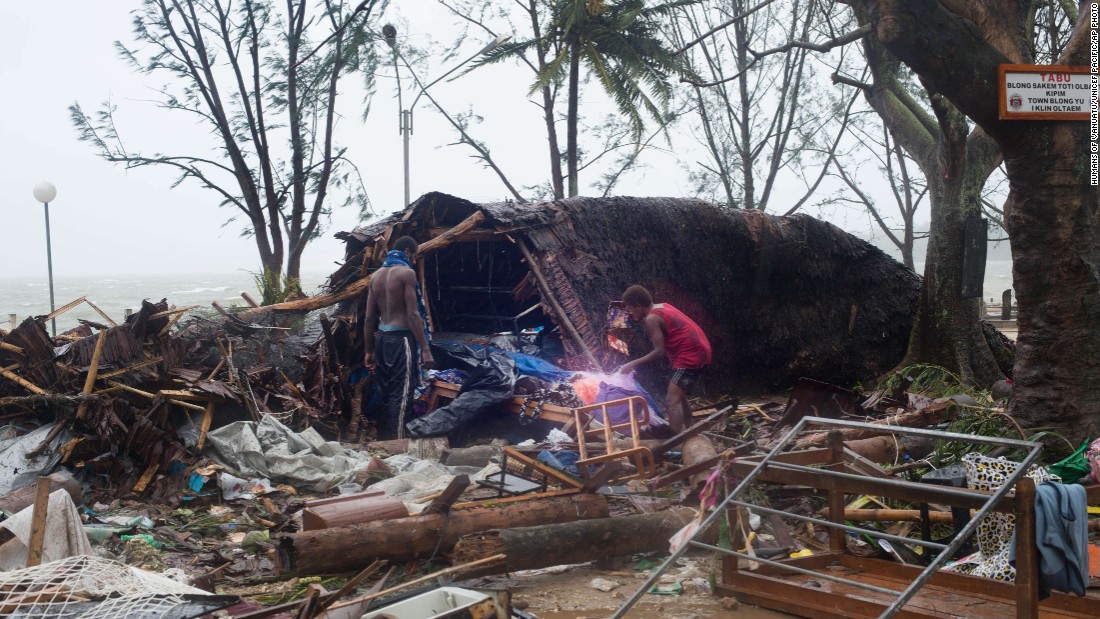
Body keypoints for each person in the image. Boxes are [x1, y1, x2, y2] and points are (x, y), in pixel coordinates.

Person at [363, 236, 435, 439]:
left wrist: (368, 350)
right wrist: (426, 349)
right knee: (402, 393)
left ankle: (383, 440)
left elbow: (369, 318)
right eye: (414, 256)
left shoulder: (375, 276)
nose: (414, 261)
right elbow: (413, 315)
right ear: (407, 251)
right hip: (401, 340)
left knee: (385, 392)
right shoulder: (407, 274)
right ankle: (397, 443)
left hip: (381, 340)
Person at [616, 285, 711, 433]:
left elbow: (659, 352)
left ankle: (673, 441)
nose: (629, 313)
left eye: (630, 309)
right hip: (700, 350)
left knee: (671, 401)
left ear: (639, 307)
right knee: (679, 395)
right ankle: (691, 429)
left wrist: (631, 364)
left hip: (690, 355)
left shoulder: (651, 319)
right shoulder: (662, 306)